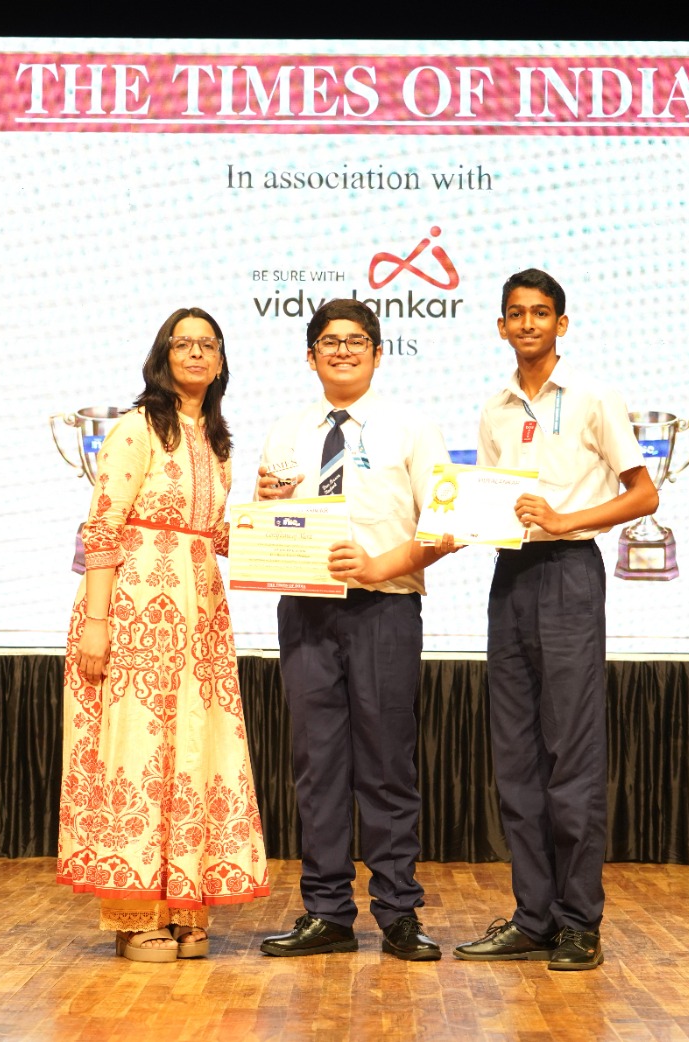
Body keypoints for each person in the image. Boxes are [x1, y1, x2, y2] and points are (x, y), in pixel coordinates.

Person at [452, 269, 657, 972]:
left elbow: (644, 494)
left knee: (572, 756)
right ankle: (532, 916)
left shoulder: (595, 397)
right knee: (516, 762)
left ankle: (579, 922)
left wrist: (567, 520)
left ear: (561, 324)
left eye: (542, 313)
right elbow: (483, 500)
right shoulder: (494, 408)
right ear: (501, 327)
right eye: (516, 314)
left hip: (571, 572)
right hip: (510, 577)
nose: (529, 324)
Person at [56, 307, 269, 963]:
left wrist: (274, 516)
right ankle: (132, 915)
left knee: (196, 755)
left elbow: (219, 535)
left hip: (200, 622)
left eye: (210, 344)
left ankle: (183, 903)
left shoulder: (218, 440)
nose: (198, 353)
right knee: (135, 754)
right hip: (133, 615)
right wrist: (97, 624)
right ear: (164, 355)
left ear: (222, 359)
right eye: (186, 343)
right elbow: (102, 528)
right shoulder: (136, 428)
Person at [254, 299, 454, 962]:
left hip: (385, 611)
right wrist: (268, 512)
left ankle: (398, 913)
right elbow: (268, 525)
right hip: (307, 612)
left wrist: (376, 566)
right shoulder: (286, 431)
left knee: (387, 766)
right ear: (310, 356)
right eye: (330, 342)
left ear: (377, 352)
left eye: (357, 340)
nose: (343, 350)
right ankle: (327, 912)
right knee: (317, 767)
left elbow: (446, 528)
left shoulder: (411, 428)